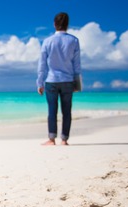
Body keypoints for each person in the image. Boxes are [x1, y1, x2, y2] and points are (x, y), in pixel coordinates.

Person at [37, 12, 81, 146]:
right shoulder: (74, 40)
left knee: (52, 110)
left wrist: (40, 82)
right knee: (67, 111)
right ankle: (64, 139)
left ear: (54, 24)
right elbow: (76, 64)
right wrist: (77, 84)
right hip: (68, 81)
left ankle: (51, 139)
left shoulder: (47, 41)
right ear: (67, 25)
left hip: (51, 81)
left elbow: (42, 65)